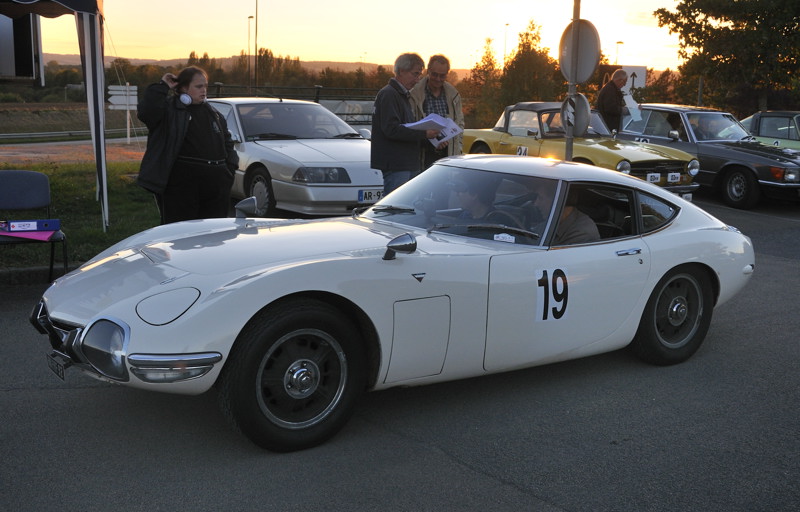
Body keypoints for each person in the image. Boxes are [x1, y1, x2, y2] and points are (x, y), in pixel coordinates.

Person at [137, 66, 238, 224]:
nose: (204, 90)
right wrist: (162, 86)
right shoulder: (170, 110)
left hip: (216, 186)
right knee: (181, 231)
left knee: (213, 231)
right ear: (184, 88)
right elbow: (146, 112)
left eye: (205, 86)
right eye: (198, 86)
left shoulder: (214, 113)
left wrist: (229, 169)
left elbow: (227, 142)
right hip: (181, 187)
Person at [371, 53, 440, 195]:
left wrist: (432, 139)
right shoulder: (389, 94)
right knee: (396, 206)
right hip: (396, 165)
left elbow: (405, 128)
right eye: (415, 74)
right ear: (401, 71)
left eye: (419, 75)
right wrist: (424, 134)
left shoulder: (403, 95)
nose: (417, 80)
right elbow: (391, 129)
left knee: (406, 205)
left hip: (406, 163)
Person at [410, 54, 465, 170]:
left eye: (442, 75)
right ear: (428, 71)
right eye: (435, 74)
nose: (438, 79)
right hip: (422, 156)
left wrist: (455, 145)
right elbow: (410, 125)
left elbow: (460, 123)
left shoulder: (454, 95)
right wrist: (429, 137)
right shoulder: (414, 94)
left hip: (448, 155)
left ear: (447, 74)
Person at [532, 183, 600, 245]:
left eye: (541, 198)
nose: (536, 204)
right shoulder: (552, 221)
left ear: (557, 202)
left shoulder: (582, 233)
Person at [596, 69, 627, 133]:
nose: (624, 85)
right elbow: (611, 108)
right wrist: (626, 110)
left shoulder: (610, 89)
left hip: (606, 127)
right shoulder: (610, 90)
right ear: (620, 80)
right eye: (625, 82)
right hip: (608, 128)